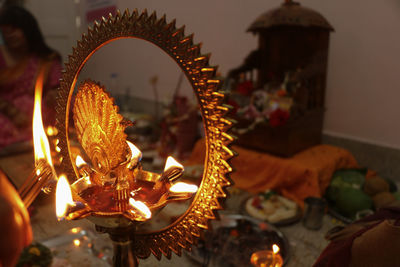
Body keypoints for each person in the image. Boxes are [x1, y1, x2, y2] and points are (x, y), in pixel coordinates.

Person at [0, 5, 62, 149]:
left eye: (14, 30)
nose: (10, 35)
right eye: (5, 32)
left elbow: (58, 88)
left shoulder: (45, 59)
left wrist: (55, 94)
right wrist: (13, 112)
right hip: (6, 119)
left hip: (40, 119)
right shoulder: (1, 56)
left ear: (28, 29)